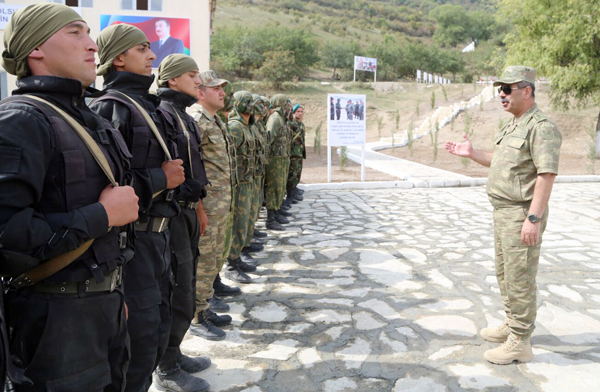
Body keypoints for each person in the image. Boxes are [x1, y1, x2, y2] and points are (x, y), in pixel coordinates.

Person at [0, 4, 139, 391]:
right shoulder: (20, 120)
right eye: (75, 33)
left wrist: (112, 294)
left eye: (89, 34)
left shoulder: (88, 119)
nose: (92, 45)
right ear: (35, 49)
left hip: (102, 307)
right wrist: (102, 216)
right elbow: (7, 236)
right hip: (54, 322)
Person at [445, 66, 562, 365]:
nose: (501, 94)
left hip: (522, 213)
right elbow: (499, 161)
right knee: (505, 275)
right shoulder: (513, 125)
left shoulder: (541, 126)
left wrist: (533, 219)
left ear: (527, 91)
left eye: (507, 88)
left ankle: (520, 341)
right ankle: (512, 325)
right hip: (503, 213)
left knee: (520, 278)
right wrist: (472, 153)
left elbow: (546, 175)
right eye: (500, 89)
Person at [92, 24, 186, 392]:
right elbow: (108, 189)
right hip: (135, 246)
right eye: (142, 49)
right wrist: (161, 180)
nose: (152, 56)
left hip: (158, 240)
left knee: (158, 331)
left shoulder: (142, 105)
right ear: (119, 57)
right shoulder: (110, 107)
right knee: (139, 344)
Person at [153, 54, 212, 392]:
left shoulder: (183, 116)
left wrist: (199, 209)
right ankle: (166, 366)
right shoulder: (161, 114)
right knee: (177, 290)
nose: (198, 82)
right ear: (172, 80)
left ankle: (174, 352)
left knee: (186, 288)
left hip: (188, 212)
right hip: (172, 214)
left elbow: (195, 171)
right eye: (192, 75)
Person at [188, 70, 238, 341]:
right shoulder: (198, 120)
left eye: (222, 88)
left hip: (220, 203)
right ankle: (196, 317)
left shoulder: (213, 119)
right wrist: (199, 207)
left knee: (213, 257)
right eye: (216, 88)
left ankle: (204, 305)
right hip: (207, 205)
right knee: (204, 260)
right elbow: (193, 167)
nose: (222, 92)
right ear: (200, 92)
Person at [225, 91, 258, 283]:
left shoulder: (247, 127)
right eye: (247, 102)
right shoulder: (235, 127)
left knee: (244, 221)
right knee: (237, 223)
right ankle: (231, 263)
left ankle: (237, 257)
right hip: (239, 185)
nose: (251, 105)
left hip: (249, 181)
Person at [264, 94, 290, 231]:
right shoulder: (275, 118)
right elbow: (268, 139)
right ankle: (271, 218)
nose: (289, 106)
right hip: (275, 159)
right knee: (274, 187)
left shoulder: (282, 118)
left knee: (280, 187)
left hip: (282, 158)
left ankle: (277, 210)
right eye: (286, 103)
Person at [285, 104, 306, 205]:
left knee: (297, 174)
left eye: (302, 111)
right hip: (292, 153)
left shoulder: (301, 124)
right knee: (291, 175)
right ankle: (289, 196)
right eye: (298, 111)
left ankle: (293, 193)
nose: (300, 113)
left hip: (299, 153)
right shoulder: (291, 124)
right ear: (293, 113)